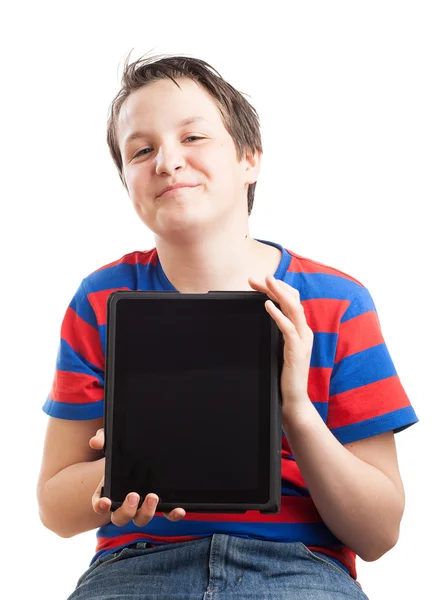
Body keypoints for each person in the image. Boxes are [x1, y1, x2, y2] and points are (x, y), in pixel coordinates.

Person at [37, 53, 418, 600]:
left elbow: (379, 533)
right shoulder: (99, 299)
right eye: (141, 150)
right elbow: (54, 507)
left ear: (250, 159)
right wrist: (124, 469)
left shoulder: (338, 302)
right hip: (138, 566)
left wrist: (296, 411)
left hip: (298, 570)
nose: (167, 161)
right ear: (127, 181)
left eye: (193, 137)